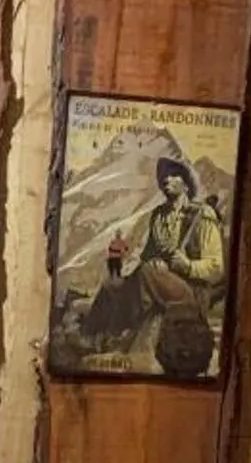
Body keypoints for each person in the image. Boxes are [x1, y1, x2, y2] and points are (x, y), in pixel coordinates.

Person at [79, 153, 226, 370]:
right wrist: (155, 263)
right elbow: (148, 254)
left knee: (146, 273)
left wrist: (187, 265)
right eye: (164, 177)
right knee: (115, 283)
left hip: (192, 291)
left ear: (186, 184)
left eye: (174, 175)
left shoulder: (201, 216)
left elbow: (216, 268)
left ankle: (116, 332)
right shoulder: (158, 216)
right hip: (157, 279)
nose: (166, 180)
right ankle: (91, 333)